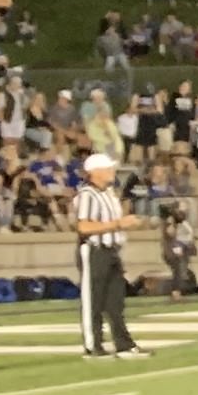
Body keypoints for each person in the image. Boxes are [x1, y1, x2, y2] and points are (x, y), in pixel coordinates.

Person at [72, 150, 143, 353]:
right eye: (108, 168)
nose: (112, 171)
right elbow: (84, 227)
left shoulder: (109, 194)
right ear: (95, 172)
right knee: (93, 300)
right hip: (94, 250)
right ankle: (93, 345)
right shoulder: (87, 194)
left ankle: (124, 343)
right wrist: (118, 223)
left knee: (115, 301)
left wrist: (124, 224)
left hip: (111, 250)